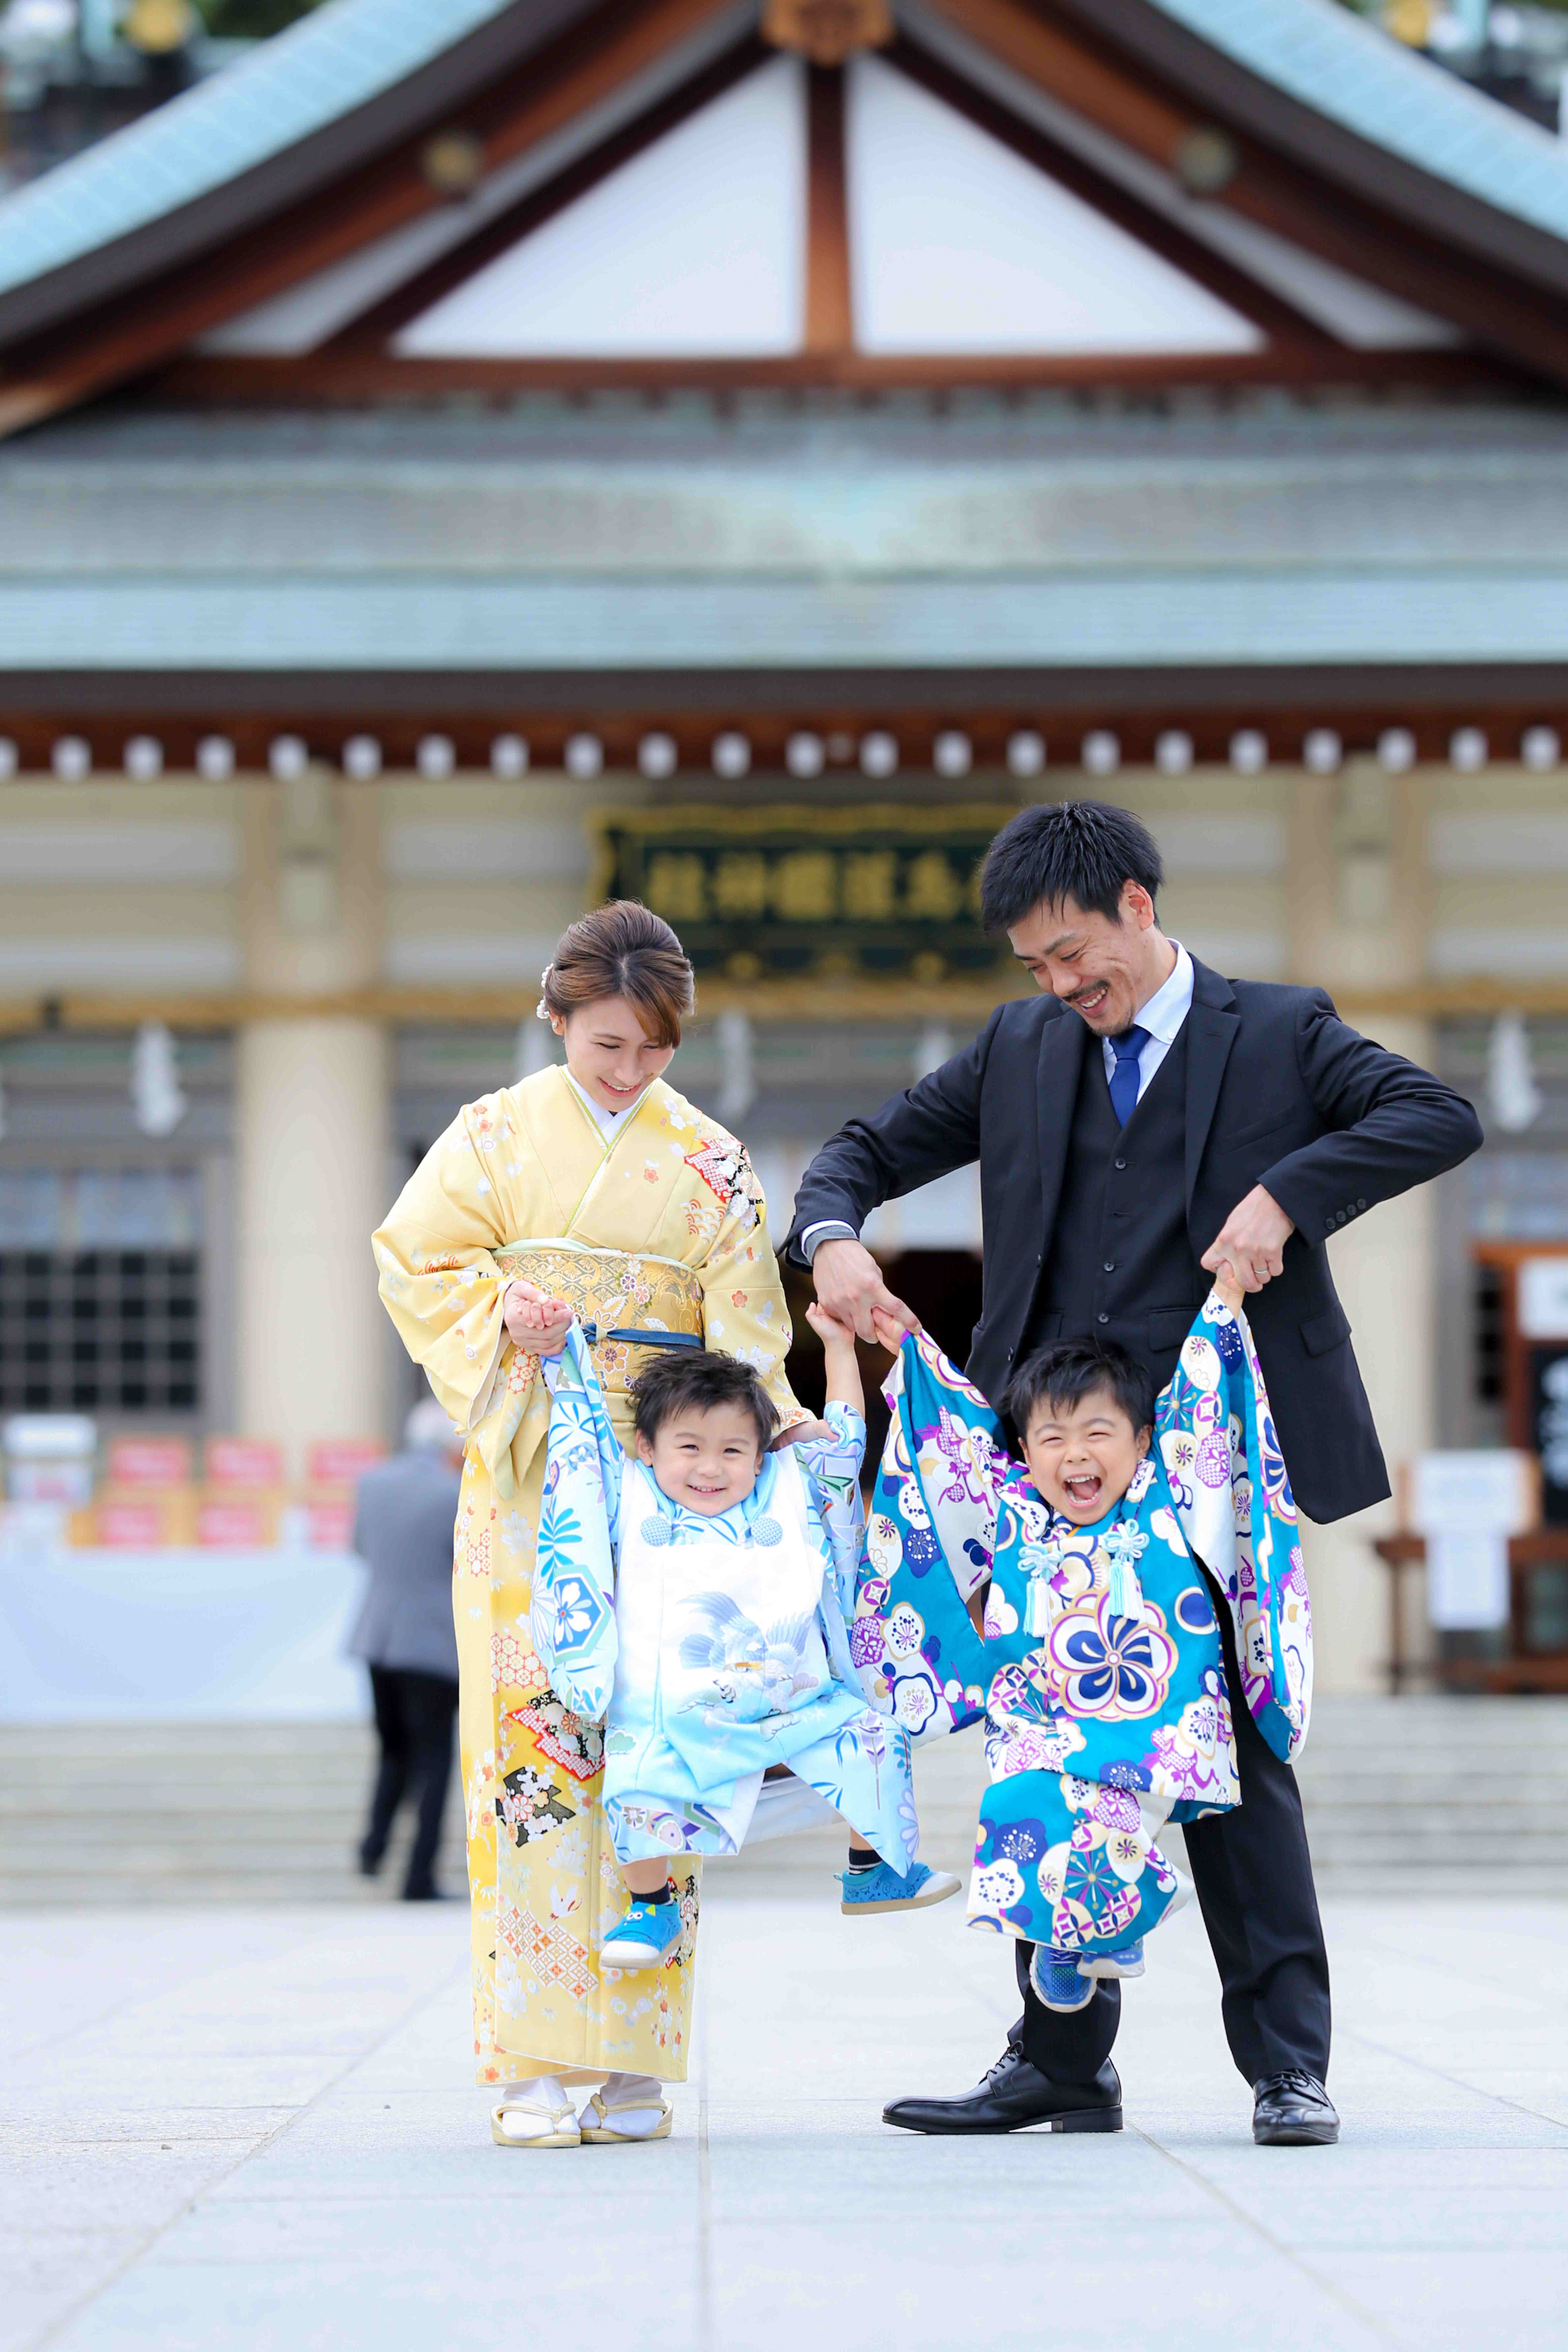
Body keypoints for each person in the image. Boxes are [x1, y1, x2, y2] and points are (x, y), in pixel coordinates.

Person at [787, 799, 1483, 2147]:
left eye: (1072, 953)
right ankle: (1060, 2058)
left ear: (1136, 905)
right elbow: (861, 1153)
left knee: (1236, 1745)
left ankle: (1287, 2061)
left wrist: (1289, 1193)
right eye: (1036, 966)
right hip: (1051, 1463)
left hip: (1210, 1459)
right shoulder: (1020, 1045)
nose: (1060, 985)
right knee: (1053, 1747)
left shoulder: (1278, 1031)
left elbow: (1432, 1112)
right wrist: (831, 1238)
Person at [374, 900, 839, 2149]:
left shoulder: (713, 1162)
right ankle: (532, 2063)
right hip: (529, 1482)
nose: (628, 1071)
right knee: (529, 1757)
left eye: (650, 1049)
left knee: (659, 1746)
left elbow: (747, 1335)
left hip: (663, 1486)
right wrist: (505, 1313)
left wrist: (759, 1439)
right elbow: (414, 1260)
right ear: (556, 1019)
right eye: (603, 1047)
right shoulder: (488, 1136)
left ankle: (631, 2065)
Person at [854, 1273, 1305, 2077]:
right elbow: (952, 1439)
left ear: (1144, 1441)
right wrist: (911, 1351)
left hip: (1154, 1726)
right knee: (1020, 1804)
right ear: (1022, 1453)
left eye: (1099, 1432)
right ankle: (1076, 1939)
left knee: (1111, 1818)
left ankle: (1116, 1913)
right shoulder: (1013, 1508)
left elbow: (1203, 1394)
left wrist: (1222, 1304)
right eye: (1051, 1436)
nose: (1076, 1454)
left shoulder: (1163, 1497)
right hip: (1049, 1731)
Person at [525, 1314, 955, 2024]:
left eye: (733, 1449)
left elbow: (845, 1440)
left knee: (876, 1735)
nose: (710, 1466)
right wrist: (559, 1357)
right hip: (666, 1712)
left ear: (761, 1454)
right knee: (632, 1786)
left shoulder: (784, 1486)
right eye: (688, 1446)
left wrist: (842, 1347)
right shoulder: (627, 1494)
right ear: (647, 1447)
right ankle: (650, 1906)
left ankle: (871, 1869)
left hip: (788, 1701)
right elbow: (578, 1440)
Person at [349, 1398, 464, 1902]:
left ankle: (373, 1848)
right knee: (436, 1759)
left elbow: (359, 1548)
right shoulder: (454, 1493)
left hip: (377, 1634)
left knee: (392, 1747)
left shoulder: (371, 1483)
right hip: (436, 1643)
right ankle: (419, 1874)